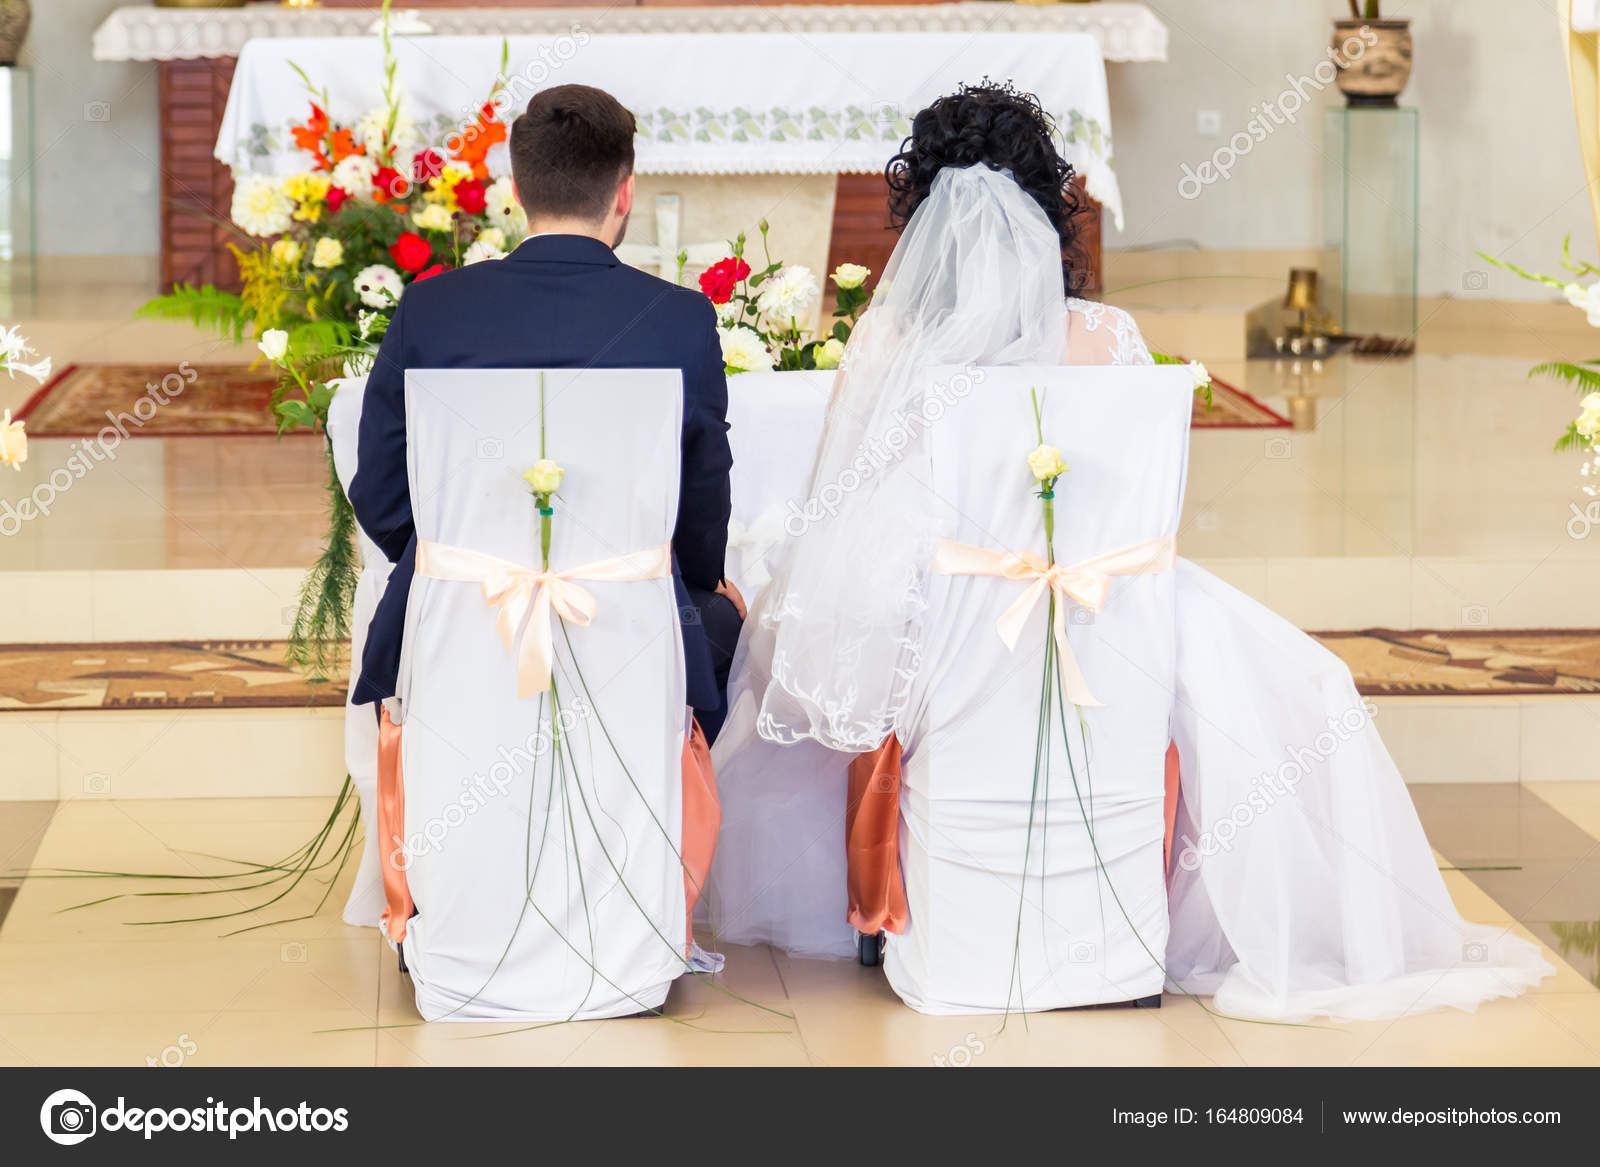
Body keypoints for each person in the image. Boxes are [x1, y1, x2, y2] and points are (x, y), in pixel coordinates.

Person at [707, 83, 1553, 1020]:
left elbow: (852, 509)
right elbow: (1146, 517)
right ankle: (1135, 903)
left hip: (949, 618)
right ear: (1049, 204)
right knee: (1279, 681)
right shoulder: (1112, 340)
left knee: (813, 632)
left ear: (921, 216)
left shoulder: (894, 343)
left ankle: (893, 895)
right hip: (1110, 617)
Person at [349, 83, 743, 741]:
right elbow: (703, 492)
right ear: (625, 193)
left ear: (518, 190)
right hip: (634, 623)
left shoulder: (430, 311)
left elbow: (380, 492)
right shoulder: (679, 318)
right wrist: (702, 581)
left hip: (462, 608)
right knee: (725, 618)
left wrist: (462, 568)